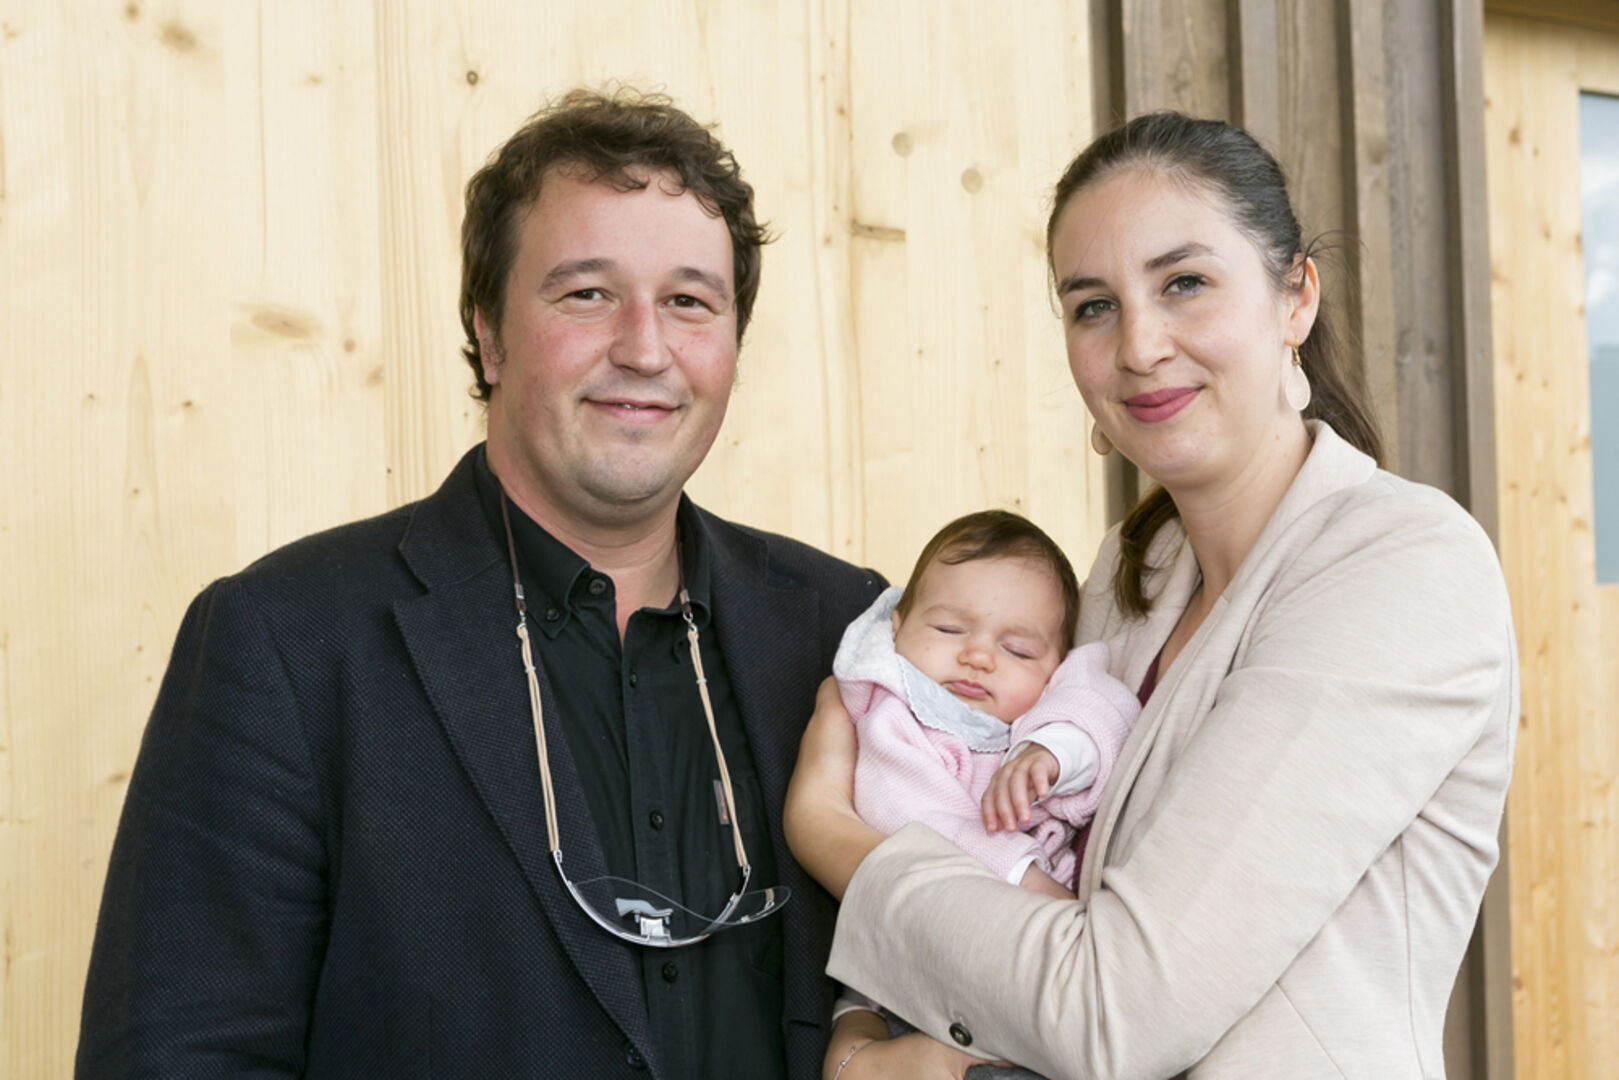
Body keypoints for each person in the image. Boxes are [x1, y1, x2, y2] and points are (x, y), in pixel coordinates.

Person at [77, 88, 884, 1080]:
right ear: (488, 333)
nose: (644, 348)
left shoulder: (848, 631)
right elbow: (182, 1058)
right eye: (586, 294)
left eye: (688, 302)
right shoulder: (285, 643)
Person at [785, 111, 1517, 1080]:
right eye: (1092, 306)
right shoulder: (1127, 580)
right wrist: (860, 1040)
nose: (1137, 345)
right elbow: (989, 851)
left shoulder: (1399, 565)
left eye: (1183, 283)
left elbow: (1116, 1010)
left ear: (1294, 299)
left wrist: (832, 835)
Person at [835, 510, 1139, 900]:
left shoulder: (1050, 694)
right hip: (967, 901)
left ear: (1055, 664)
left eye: (1017, 650)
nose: (977, 657)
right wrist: (1025, 877)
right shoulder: (895, 722)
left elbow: (1105, 708)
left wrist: (1054, 752)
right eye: (949, 630)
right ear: (898, 627)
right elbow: (914, 819)